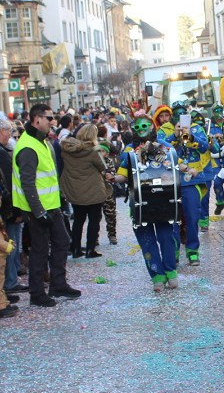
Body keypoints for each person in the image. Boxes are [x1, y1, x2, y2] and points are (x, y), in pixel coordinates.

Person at [13, 103, 80, 307]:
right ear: (37, 119)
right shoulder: (28, 146)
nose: (53, 122)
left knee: (62, 241)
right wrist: (38, 210)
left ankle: (58, 284)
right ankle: (37, 293)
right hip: (37, 209)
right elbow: (27, 182)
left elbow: (47, 176)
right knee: (40, 250)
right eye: (50, 118)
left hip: (50, 205)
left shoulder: (41, 141)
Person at [113, 114, 181, 291]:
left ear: (152, 127)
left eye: (145, 126)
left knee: (167, 237)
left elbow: (177, 165)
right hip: (140, 203)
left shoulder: (165, 146)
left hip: (164, 201)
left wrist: (189, 169)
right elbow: (123, 174)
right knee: (147, 241)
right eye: (137, 127)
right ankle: (157, 276)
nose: (141, 130)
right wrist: (113, 178)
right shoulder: (129, 151)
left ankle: (171, 272)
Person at [0, 111, 27, 295]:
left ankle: (10, 279)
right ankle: (10, 281)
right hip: (6, 207)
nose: (11, 135)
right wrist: (16, 210)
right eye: (9, 131)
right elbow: (8, 182)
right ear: (0, 131)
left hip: (4, 206)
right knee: (10, 244)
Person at [60, 123, 108, 259]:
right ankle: (90, 249)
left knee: (78, 220)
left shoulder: (67, 149)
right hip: (93, 190)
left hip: (75, 189)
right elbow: (102, 167)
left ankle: (75, 249)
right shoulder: (93, 150)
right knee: (94, 220)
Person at [173, 111, 211, 266]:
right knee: (173, 219)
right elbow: (161, 148)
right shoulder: (167, 129)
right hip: (173, 181)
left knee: (192, 217)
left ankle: (193, 251)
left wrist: (192, 137)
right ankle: (173, 252)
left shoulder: (197, 129)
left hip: (193, 180)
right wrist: (175, 135)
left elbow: (205, 147)